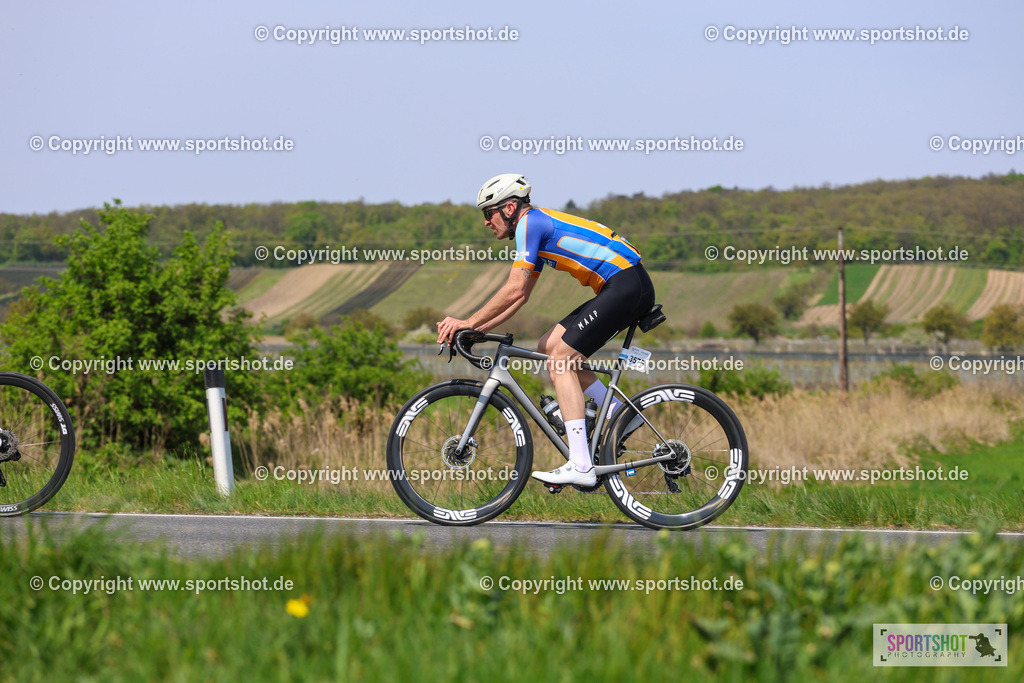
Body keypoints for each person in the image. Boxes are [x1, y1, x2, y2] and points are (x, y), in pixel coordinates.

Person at [436, 173, 655, 486]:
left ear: (510, 208)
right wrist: (477, 329)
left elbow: (513, 289)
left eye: (489, 213)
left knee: (561, 361)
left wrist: (467, 322)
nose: (487, 222)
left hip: (625, 285)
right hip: (622, 285)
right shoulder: (534, 228)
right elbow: (521, 296)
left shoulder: (530, 224)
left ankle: (580, 465)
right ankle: (619, 414)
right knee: (547, 348)